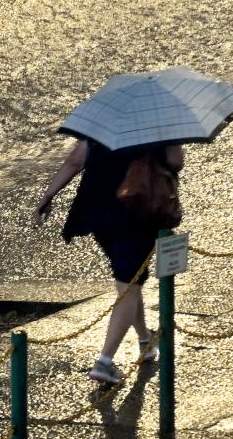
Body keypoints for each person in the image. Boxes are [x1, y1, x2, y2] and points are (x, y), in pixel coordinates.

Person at [31, 138, 185, 385]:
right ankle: (104, 362)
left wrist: (48, 196)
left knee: (129, 283)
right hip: (137, 211)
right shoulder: (157, 125)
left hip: (98, 216)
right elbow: (176, 161)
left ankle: (146, 340)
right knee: (129, 286)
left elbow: (74, 161)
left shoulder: (103, 124)